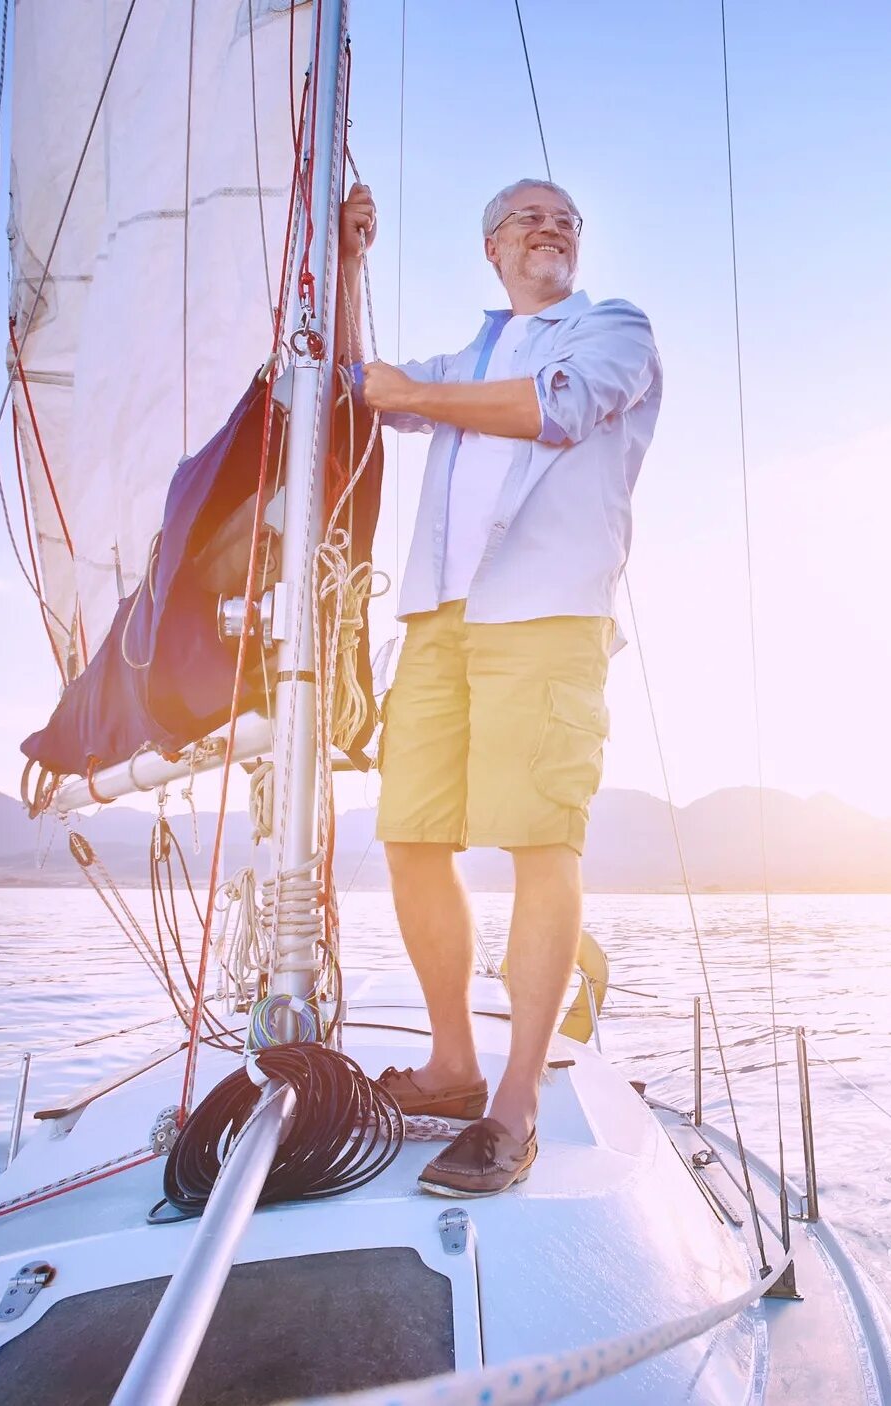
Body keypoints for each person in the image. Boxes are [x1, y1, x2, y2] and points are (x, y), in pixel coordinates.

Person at [335, 177, 661, 1197]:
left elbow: (555, 412)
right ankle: (448, 1063)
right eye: (529, 216)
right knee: (411, 833)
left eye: (567, 217)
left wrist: (413, 397)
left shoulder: (611, 328)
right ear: (491, 248)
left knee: (538, 839)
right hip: (439, 619)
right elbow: (358, 384)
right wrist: (348, 263)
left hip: (547, 614)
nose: (552, 227)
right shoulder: (469, 356)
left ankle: (513, 1100)